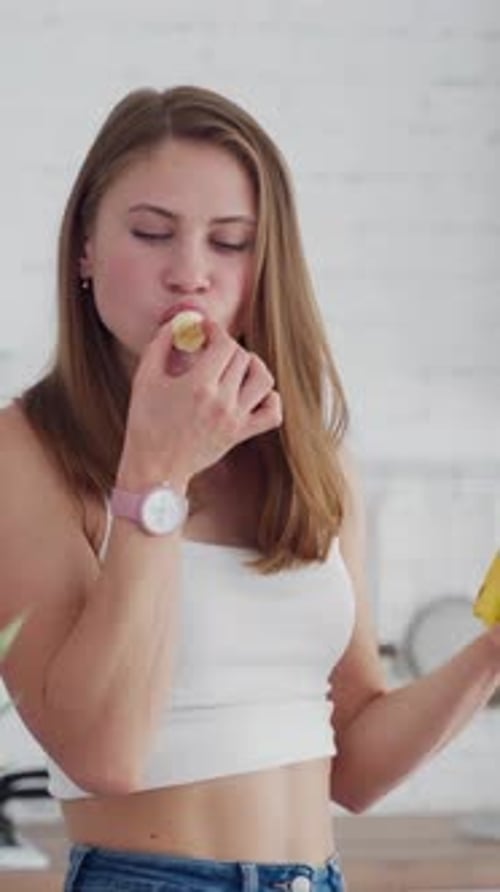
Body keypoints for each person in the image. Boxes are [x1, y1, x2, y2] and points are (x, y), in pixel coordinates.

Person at [0, 85, 499, 892]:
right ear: (84, 247)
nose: (190, 273)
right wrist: (155, 473)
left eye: (230, 242)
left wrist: (491, 651)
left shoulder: (316, 457)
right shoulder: (23, 451)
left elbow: (357, 764)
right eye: (152, 232)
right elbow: (105, 753)